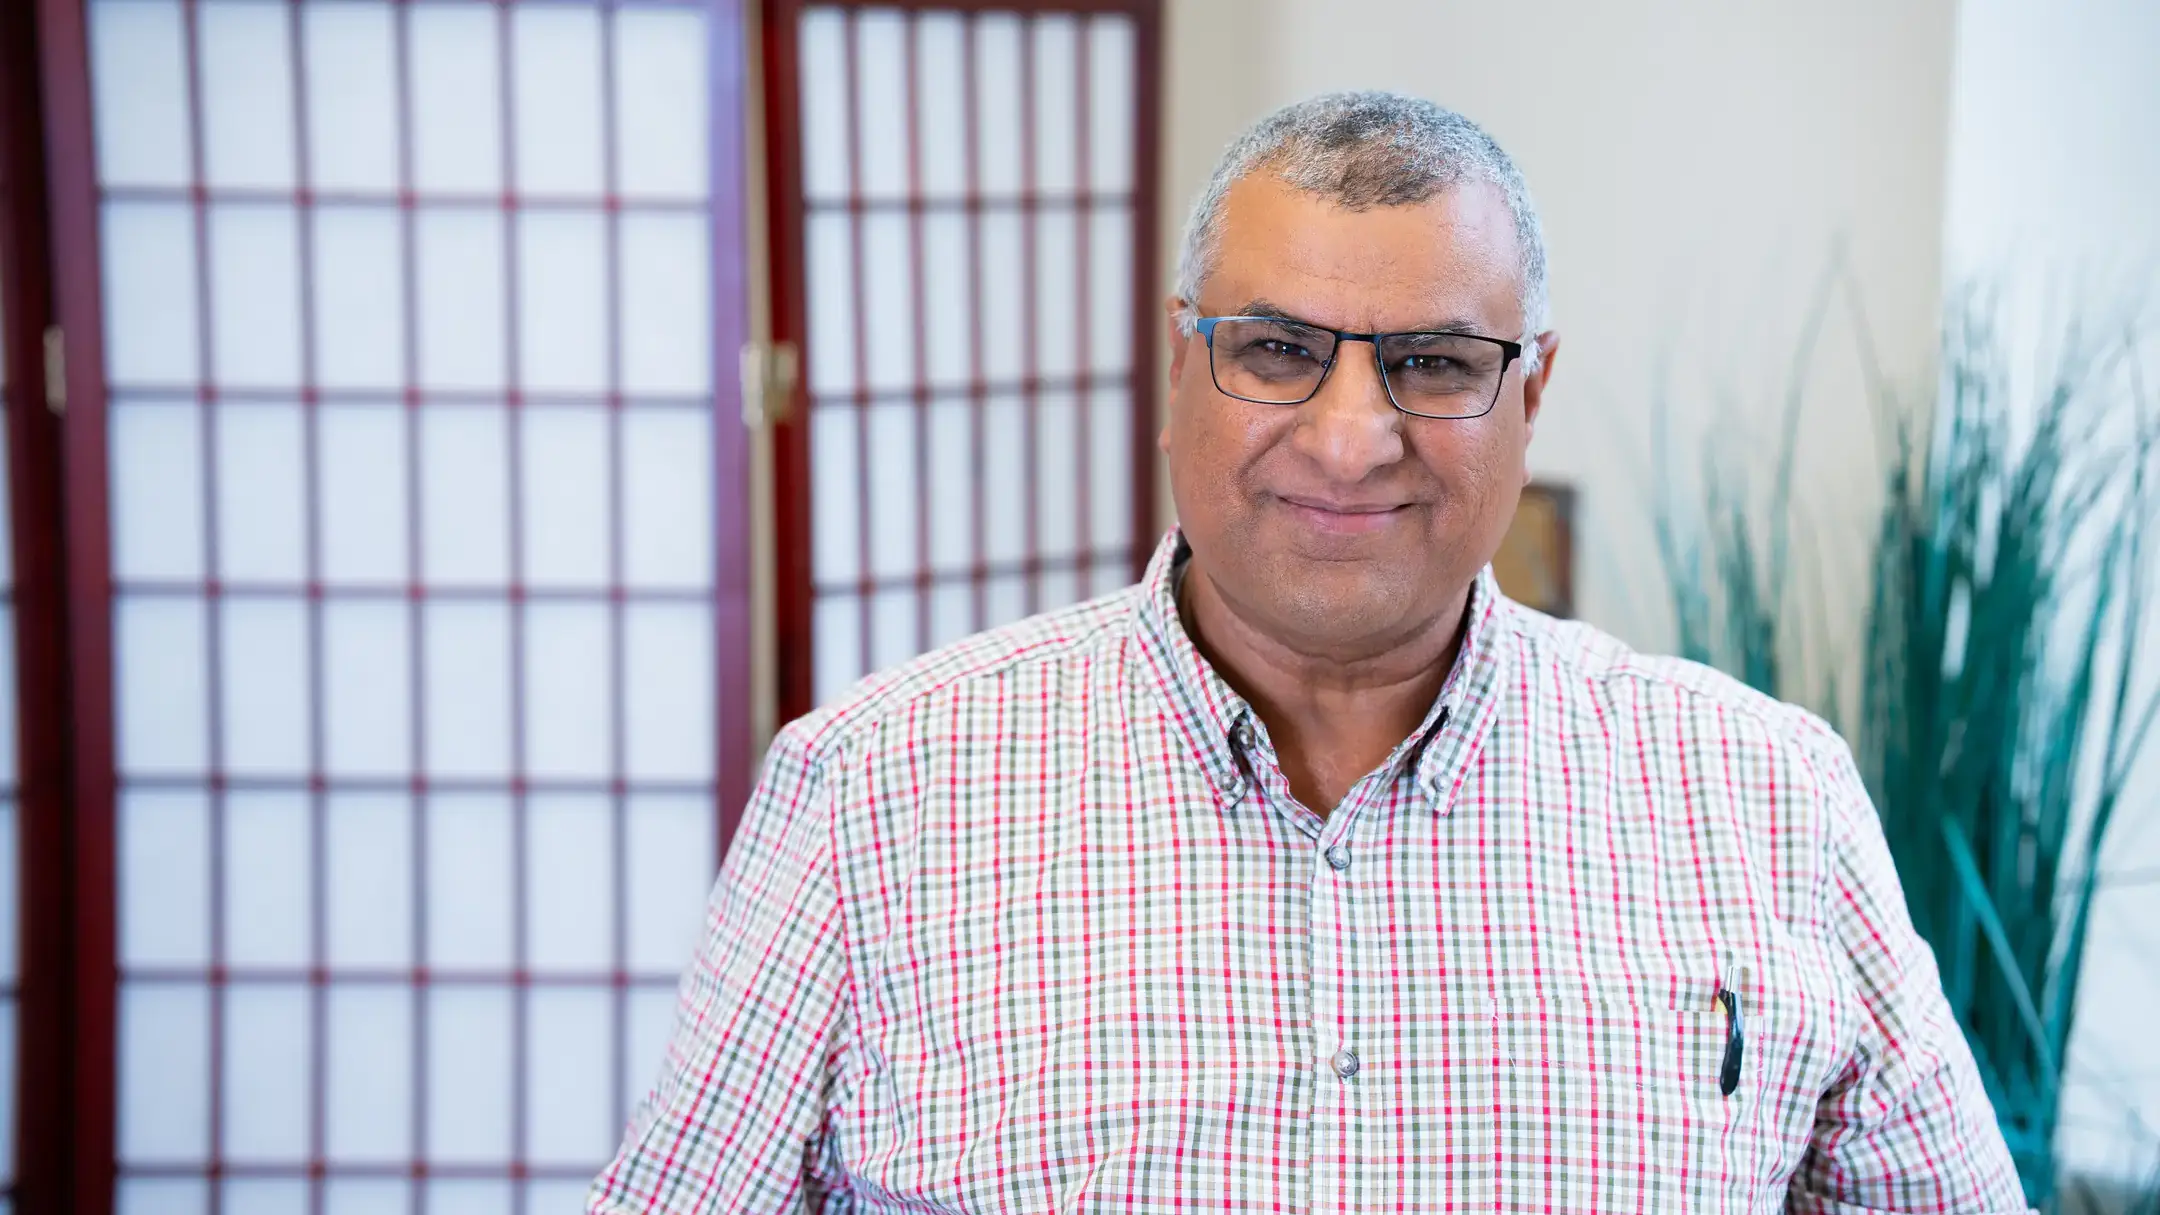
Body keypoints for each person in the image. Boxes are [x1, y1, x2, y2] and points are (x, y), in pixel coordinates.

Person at [590, 91, 2025, 1213]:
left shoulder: (1766, 794)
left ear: (1532, 391)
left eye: (1436, 362)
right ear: (1179, 371)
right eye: (1276, 349)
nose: (1350, 436)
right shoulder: (874, 795)